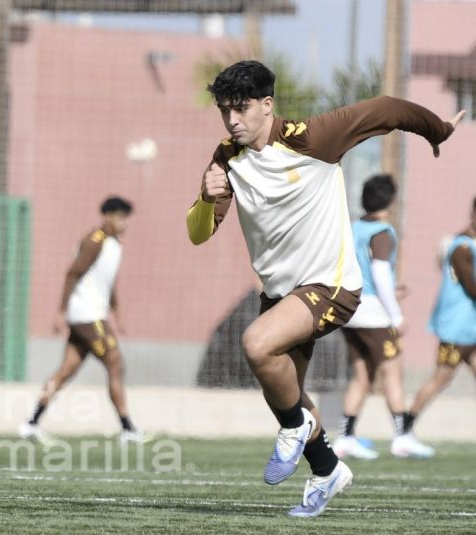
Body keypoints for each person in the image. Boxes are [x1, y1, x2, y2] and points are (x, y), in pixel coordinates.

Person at [186, 60, 464, 517]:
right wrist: (206, 196)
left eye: (240, 108)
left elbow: (386, 108)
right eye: (224, 111)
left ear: (266, 105)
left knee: (256, 345)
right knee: (282, 388)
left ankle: (296, 428)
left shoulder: (312, 137)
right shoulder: (226, 158)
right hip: (280, 295)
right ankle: (327, 468)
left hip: (331, 286)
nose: (232, 120)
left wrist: (435, 129)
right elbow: (199, 233)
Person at [19, 197, 146, 444]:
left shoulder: (113, 244)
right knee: (115, 363)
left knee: (65, 371)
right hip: (88, 316)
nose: (125, 223)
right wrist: (60, 311)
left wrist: (116, 310)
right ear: (107, 216)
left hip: (88, 316)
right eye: (121, 217)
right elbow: (72, 272)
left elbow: (107, 281)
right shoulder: (94, 242)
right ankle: (128, 428)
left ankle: (31, 424)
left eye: (127, 218)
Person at [333, 174, 434, 460]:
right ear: (390, 200)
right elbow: (379, 273)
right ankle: (402, 437)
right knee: (393, 374)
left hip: (349, 310)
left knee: (361, 375)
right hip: (374, 313)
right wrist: (397, 314)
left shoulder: (351, 228)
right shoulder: (383, 231)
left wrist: (386, 291)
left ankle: (345, 437)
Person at [404, 197, 476, 435]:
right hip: (457, 328)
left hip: (469, 327)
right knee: (440, 379)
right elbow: (472, 288)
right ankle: (405, 426)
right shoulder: (463, 248)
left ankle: (404, 427)